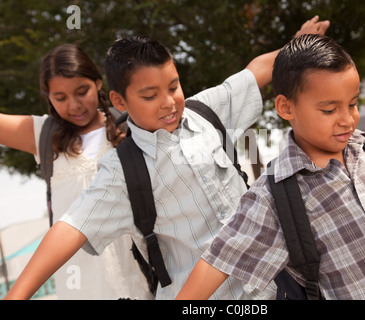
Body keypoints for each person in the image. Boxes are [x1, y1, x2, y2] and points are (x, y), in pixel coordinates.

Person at [3, 17, 330, 300]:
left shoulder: (204, 112)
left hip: (272, 287)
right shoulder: (121, 170)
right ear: (120, 99)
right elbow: (69, 229)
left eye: (173, 87)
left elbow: (252, 73)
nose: (168, 103)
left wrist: (296, 46)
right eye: (149, 96)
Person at [176, 34, 365, 300]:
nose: (347, 120)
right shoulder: (275, 195)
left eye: (353, 104)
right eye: (329, 110)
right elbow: (219, 260)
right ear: (285, 107)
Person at [0, 44, 151, 299]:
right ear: (49, 97)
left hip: (135, 280)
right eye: (60, 98)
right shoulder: (43, 136)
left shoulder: (131, 129)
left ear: (98, 83)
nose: (74, 105)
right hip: (76, 287)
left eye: (82, 92)